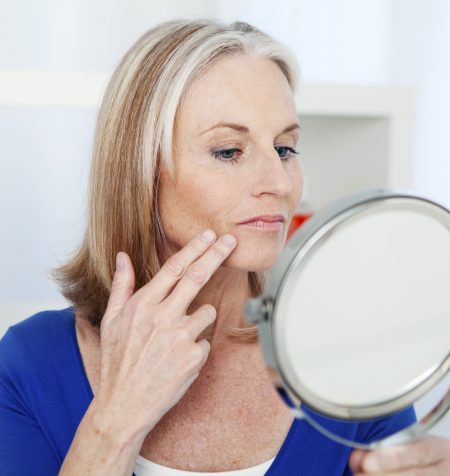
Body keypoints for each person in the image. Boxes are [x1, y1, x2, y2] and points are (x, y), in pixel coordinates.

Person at [0, 18, 448, 476]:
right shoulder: (30, 364)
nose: (278, 182)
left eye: (285, 148)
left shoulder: (351, 362)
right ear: (140, 174)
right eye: (229, 151)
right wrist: (115, 421)